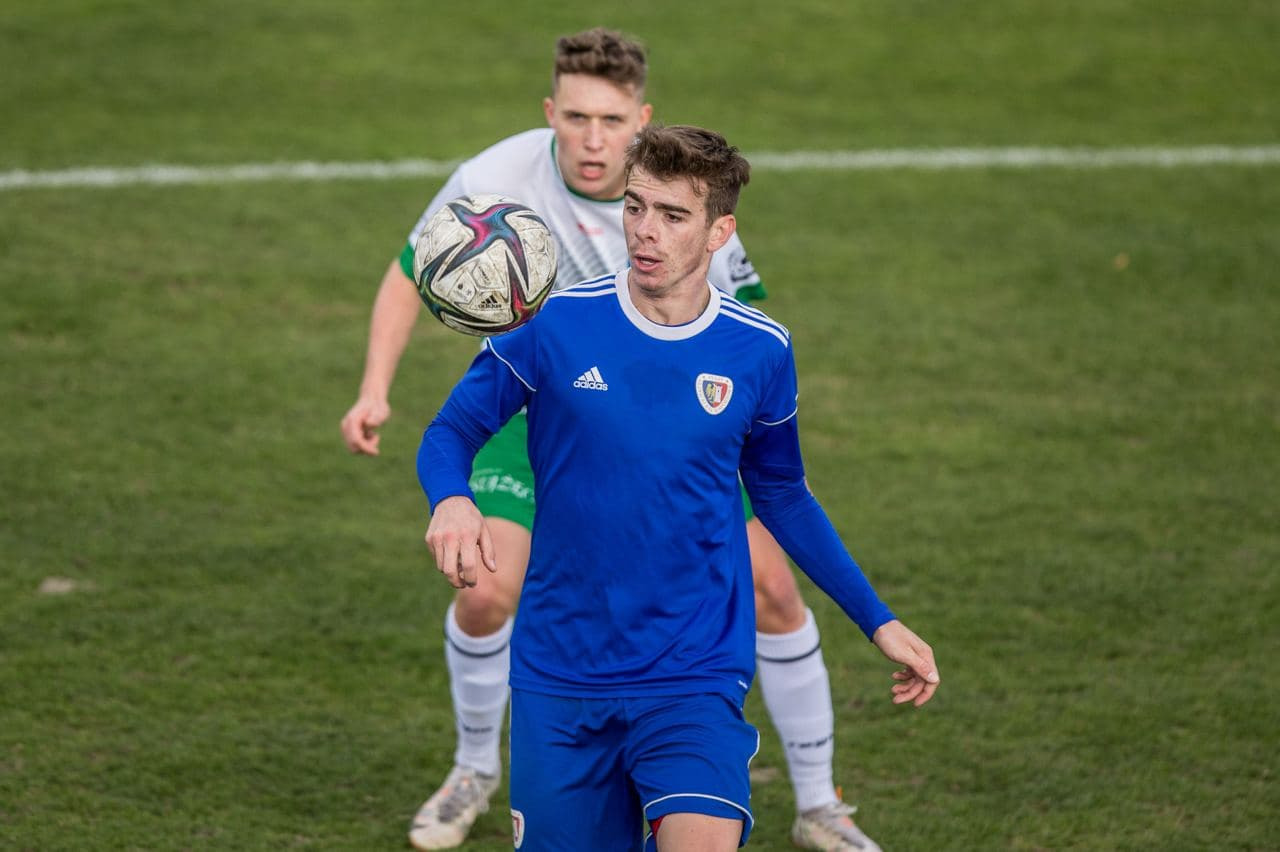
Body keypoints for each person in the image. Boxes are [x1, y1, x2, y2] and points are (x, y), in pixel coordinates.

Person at [343, 28, 878, 851]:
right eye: (577, 118)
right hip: (537, 407)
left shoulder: (683, 204)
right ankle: (474, 769)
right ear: (550, 112)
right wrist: (376, 392)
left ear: (640, 121)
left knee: (773, 586)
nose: (594, 141)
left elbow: (738, 344)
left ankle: (819, 803)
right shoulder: (497, 179)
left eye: (612, 121)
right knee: (485, 591)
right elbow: (415, 272)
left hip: (664, 418)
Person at [419, 123, 940, 852]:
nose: (645, 231)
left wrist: (878, 620)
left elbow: (783, 494)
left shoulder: (759, 349)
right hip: (561, 674)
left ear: (720, 231)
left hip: (692, 674)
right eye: (635, 207)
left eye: (672, 215)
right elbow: (450, 431)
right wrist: (452, 498)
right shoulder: (555, 323)